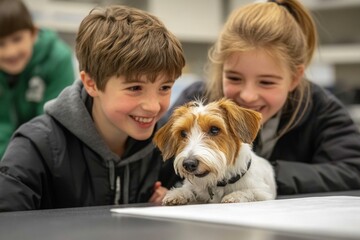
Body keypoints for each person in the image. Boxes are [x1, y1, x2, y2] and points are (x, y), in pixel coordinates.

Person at [0, 4, 185, 212]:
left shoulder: (171, 146)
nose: (153, 106)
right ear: (91, 83)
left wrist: (172, 204)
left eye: (165, 87)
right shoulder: (36, 147)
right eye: (135, 88)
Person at [167, 0, 360, 195]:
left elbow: (353, 170)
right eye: (234, 78)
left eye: (266, 82)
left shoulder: (321, 108)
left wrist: (263, 173)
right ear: (221, 68)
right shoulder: (195, 100)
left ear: (294, 78)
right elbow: (157, 163)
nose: (248, 96)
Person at [0, 0, 75, 158]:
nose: (10, 52)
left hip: (40, 156)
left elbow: (54, 124)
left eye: (17, 39)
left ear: (33, 33)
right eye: (1, 44)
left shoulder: (57, 59)